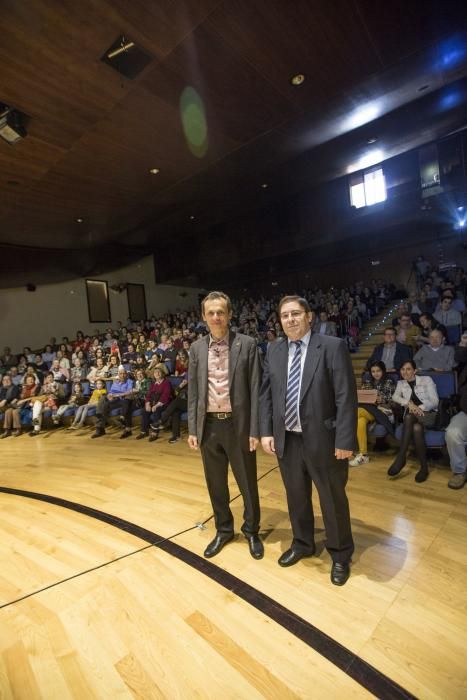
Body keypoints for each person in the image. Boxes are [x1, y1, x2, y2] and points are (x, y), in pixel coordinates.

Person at [259, 295, 357, 586]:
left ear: (309, 316)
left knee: (332, 498)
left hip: (324, 440)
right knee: (296, 496)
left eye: (295, 314)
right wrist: (266, 431)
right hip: (287, 440)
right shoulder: (274, 350)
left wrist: (345, 440)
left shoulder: (331, 346)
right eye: (284, 315)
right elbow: (266, 395)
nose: (290, 319)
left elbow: (345, 397)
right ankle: (302, 543)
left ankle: (340, 554)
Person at [188, 290, 263, 560]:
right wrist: (193, 429)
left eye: (221, 312)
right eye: (211, 313)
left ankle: (252, 530)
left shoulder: (248, 344)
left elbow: (256, 389)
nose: (216, 317)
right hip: (209, 426)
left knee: (247, 482)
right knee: (216, 483)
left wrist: (255, 429)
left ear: (230, 315)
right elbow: (194, 392)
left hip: (238, 425)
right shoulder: (196, 348)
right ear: (204, 317)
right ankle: (224, 529)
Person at [387, 360, 439, 482]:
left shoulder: (426, 380)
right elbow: (395, 397)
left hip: (430, 414)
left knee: (409, 417)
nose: (405, 372)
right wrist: (408, 404)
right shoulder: (401, 383)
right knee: (416, 428)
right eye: (402, 369)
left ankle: (401, 457)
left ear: (415, 371)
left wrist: (418, 408)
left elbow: (435, 401)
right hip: (413, 418)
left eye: (408, 369)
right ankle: (424, 468)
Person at [350, 361, 395, 466]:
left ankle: (348, 447)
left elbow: (392, 399)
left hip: (382, 411)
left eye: (378, 370)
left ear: (383, 371)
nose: (376, 373)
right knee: (360, 421)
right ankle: (363, 455)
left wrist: (382, 399)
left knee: (355, 413)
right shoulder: (367, 382)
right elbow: (363, 398)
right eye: (373, 371)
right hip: (368, 409)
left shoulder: (389, 381)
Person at [92, 368, 134, 439]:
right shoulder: (115, 382)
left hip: (125, 400)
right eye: (121, 374)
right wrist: (110, 395)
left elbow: (129, 392)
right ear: (118, 375)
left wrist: (117, 395)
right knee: (103, 399)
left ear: (126, 375)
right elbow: (111, 391)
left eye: (124, 374)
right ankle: (100, 428)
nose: (122, 375)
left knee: (126, 401)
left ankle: (127, 430)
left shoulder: (129, 381)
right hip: (115, 400)